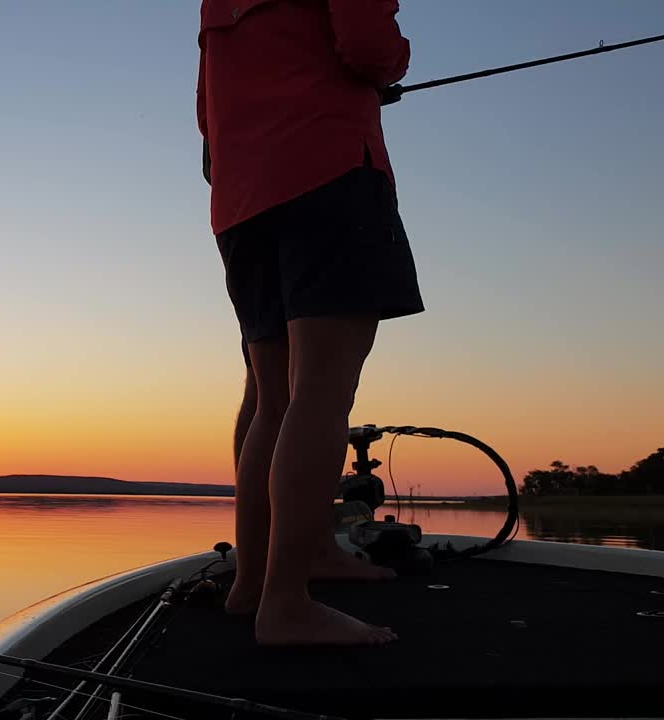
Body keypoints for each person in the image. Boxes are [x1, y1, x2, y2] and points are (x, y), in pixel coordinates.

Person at [198, 0, 424, 645]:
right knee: (322, 392)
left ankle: (257, 581)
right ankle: (287, 604)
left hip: (239, 201)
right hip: (329, 173)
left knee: (271, 397)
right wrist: (388, 72)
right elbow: (369, 49)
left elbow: (206, 118)